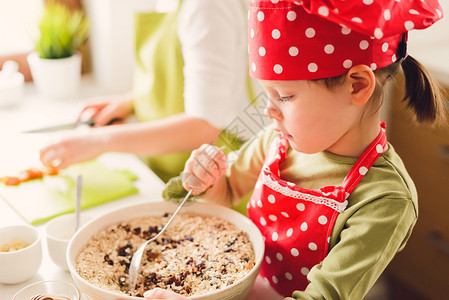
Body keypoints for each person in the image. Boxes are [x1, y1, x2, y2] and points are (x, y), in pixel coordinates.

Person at [145, 0, 446, 299]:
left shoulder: (384, 198)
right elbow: (225, 193)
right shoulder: (276, 141)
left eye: (285, 96)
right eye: (267, 94)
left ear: (357, 86)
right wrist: (205, 179)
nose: (268, 111)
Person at [39, 0, 260, 183]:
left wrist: (101, 141)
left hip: (216, 181)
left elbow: (205, 125)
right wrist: (129, 102)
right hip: (169, 169)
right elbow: (184, 80)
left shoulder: (208, 7)